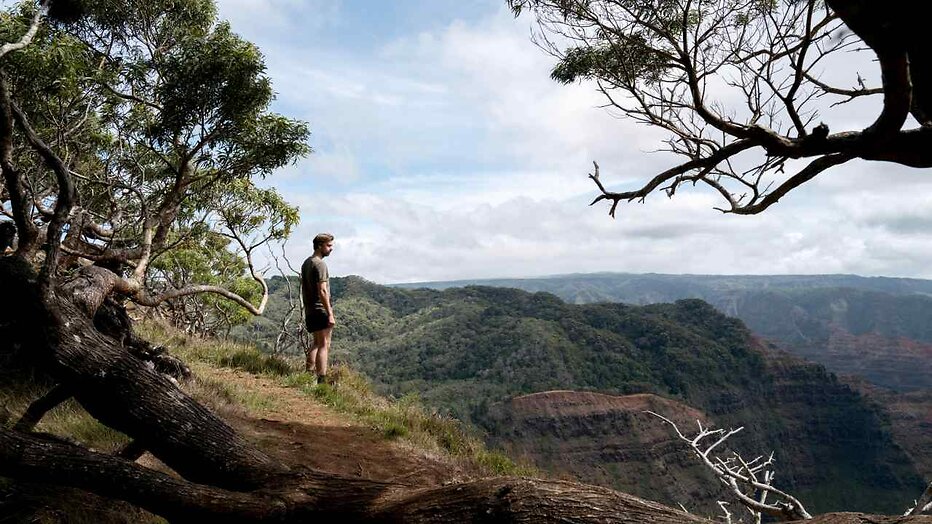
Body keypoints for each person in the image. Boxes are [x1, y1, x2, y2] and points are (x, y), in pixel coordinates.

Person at [301, 233, 335, 384]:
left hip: (309, 309)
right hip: (320, 309)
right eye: (329, 245)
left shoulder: (307, 263)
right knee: (324, 344)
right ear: (320, 246)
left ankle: (308, 375)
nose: (331, 249)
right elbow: (322, 290)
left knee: (316, 342)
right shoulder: (320, 264)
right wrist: (330, 313)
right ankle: (322, 379)